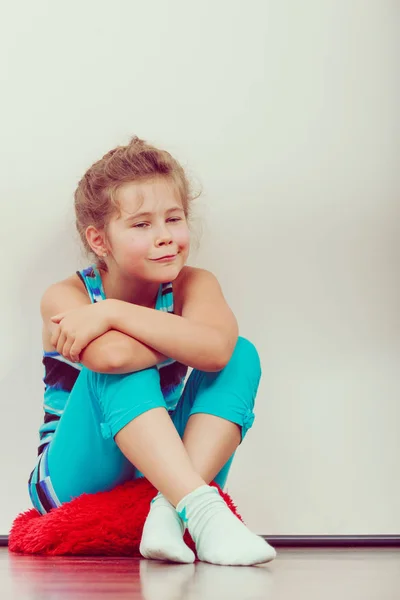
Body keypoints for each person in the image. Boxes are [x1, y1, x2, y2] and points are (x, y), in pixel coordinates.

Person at [28, 136, 276, 566]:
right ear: (100, 240)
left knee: (241, 354)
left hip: (161, 468)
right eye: (141, 225)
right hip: (76, 475)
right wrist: (184, 339)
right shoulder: (66, 296)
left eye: (173, 219)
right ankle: (201, 509)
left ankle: (171, 510)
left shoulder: (193, 284)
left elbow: (219, 350)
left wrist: (111, 314)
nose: (164, 237)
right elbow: (111, 359)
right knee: (118, 370)